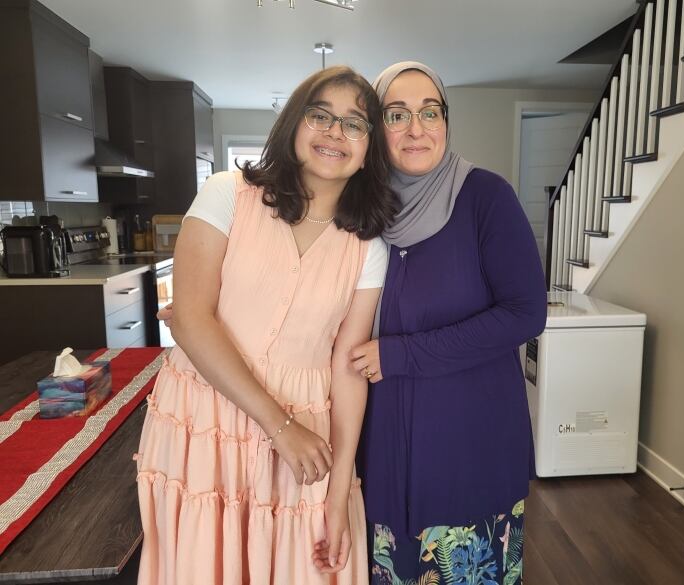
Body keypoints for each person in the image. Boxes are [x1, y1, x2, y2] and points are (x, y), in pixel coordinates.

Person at [135, 65, 398, 585]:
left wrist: (340, 489)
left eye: (354, 123)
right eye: (319, 115)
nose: (333, 133)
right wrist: (280, 427)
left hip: (309, 437)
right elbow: (189, 318)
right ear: (294, 124)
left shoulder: (369, 248)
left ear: (370, 147)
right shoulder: (226, 195)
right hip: (204, 419)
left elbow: (348, 367)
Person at [341, 62, 547, 584]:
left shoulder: (486, 198)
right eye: (397, 114)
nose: (417, 128)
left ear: (446, 122)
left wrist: (401, 354)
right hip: (386, 445)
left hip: (470, 444)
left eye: (430, 112)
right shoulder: (361, 211)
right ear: (375, 126)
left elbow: (526, 312)